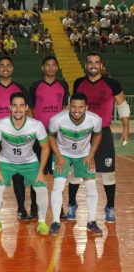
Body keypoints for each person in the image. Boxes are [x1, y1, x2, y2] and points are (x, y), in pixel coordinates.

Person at [69, 52, 130, 223]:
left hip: (103, 133)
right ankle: (72, 204)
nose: (93, 65)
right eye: (90, 62)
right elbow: (75, 108)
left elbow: (123, 107)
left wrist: (125, 129)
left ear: (101, 65)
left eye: (96, 62)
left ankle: (110, 206)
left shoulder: (112, 84)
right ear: (86, 65)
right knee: (75, 171)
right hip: (81, 133)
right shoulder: (78, 83)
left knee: (108, 174)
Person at [0, 92, 50, 236]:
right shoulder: (1, 124)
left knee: (41, 187)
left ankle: (42, 222)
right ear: (10, 107)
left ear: (27, 107)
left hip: (29, 162)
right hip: (6, 161)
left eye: (21, 105)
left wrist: (41, 171)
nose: (18, 109)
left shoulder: (36, 125)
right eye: (15, 106)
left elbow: (45, 147)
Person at [0, 56, 34, 221]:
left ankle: (21, 208)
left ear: (12, 69)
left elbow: (29, 113)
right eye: (2, 65)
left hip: (18, 139)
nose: (5, 68)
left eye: (8, 66)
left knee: (18, 176)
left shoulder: (20, 88)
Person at [49, 93, 103, 236]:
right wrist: (58, 156)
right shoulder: (57, 119)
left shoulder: (95, 119)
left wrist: (91, 154)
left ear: (86, 107)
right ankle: (55, 221)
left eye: (80, 107)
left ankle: (91, 221)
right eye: (73, 106)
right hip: (63, 154)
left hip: (84, 154)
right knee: (58, 185)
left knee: (91, 185)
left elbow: (97, 135)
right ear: (69, 106)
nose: (76, 110)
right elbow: (51, 136)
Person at [29, 55, 69, 220]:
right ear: (42, 68)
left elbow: (65, 107)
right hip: (40, 136)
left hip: (57, 137)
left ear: (57, 67)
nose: (51, 68)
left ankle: (58, 208)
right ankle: (33, 207)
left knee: (58, 174)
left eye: (54, 65)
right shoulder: (35, 86)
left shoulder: (63, 85)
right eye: (47, 65)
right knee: (36, 172)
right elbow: (30, 109)